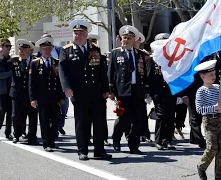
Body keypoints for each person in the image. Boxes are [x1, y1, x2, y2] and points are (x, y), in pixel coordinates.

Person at [59, 20, 111, 160]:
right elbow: (62, 70)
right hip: (79, 93)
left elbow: (101, 70)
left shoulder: (94, 49)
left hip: (96, 91)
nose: (78, 35)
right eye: (76, 33)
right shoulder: (66, 50)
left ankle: (99, 150)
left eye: (81, 33)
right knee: (82, 123)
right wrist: (67, 88)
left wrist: (106, 89)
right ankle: (82, 151)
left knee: (99, 122)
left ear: (87, 34)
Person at [108, 25, 149, 154]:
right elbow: (110, 73)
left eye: (129, 38)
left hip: (137, 90)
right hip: (123, 91)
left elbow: (145, 74)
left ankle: (134, 145)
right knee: (123, 119)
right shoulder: (115, 53)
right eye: (124, 38)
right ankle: (116, 139)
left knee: (137, 120)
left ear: (134, 40)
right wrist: (111, 90)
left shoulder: (141, 54)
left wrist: (146, 89)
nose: (126, 40)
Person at [29, 36, 65, 152]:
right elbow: (32, 83)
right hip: (42, 98)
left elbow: (60, 81)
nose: (47, 51)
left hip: (55, 97)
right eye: (44, 48)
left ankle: (52, 140)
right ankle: (46, 143)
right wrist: (33, 98)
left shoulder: (56, 62)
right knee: (44, 121)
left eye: (49, 48)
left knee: (55, 120)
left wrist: (62, 96)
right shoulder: (35, 64)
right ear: (40, 50)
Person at [195, 60, 221, 180]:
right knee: (212, 148)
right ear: (203, 76)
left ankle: (219, 175)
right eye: (210, 75)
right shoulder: (201, 91)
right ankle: (202, 166)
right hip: (210, 121)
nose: (213, 77)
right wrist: (213, 107)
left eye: (214, 74)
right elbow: (199, 109)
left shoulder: (218, 87)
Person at [148, 33, 177, 150]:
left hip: (171, 92)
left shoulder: (173, 59)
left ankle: (168, 140)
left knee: (170, 116)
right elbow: (149, 77)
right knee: (161, 116)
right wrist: (149, 92)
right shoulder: (153, 59)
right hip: (158, 92)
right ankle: (159, 140)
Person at [10, 39, 38, 144]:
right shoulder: (14, 60)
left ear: (30, 50)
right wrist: (2, 54)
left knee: (33, 116)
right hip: (17, 94)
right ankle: (16, 134)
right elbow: (3, 62)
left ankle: (32, 137)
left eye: (24, 50)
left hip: (31, 94)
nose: (21, 52)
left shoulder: (35, 61)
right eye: (20, 49)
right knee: (16, 115)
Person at [0, 39, 13, 140]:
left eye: (10, 46)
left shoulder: (10, 59)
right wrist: (9, 74)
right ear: (2, 47)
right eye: (7, 46)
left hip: (10, 88)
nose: (9, 48)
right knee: (2, 109)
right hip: (1, 89)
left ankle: (8, 132)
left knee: (10, 111)